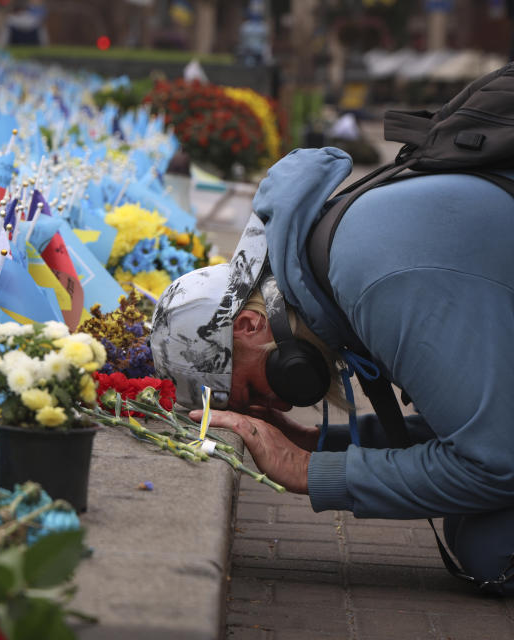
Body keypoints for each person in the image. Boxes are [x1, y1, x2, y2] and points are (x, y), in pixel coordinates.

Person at [150, 146, 514, 593]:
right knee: (475, 529)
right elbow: (477, 431)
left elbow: (494, 465)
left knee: (495, 549)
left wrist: (304, 469)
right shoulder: (339, 256)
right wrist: (322, 443)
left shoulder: (379, 281)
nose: (280, 402)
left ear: (247, 324)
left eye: (253, 390)